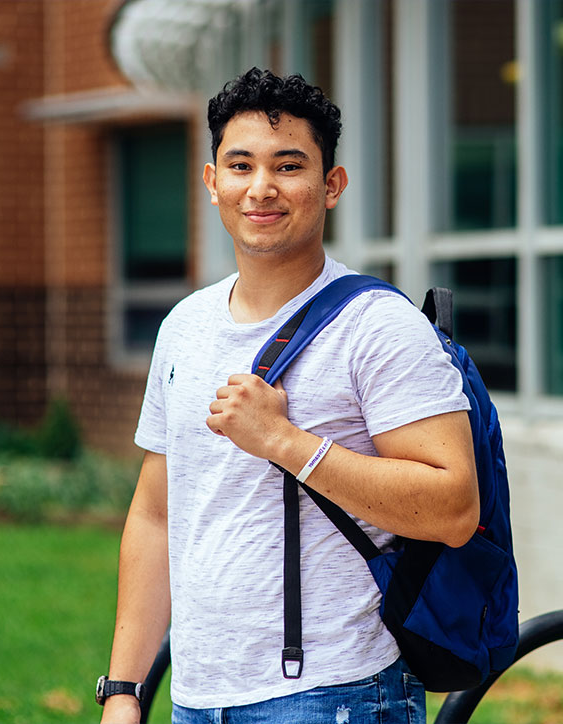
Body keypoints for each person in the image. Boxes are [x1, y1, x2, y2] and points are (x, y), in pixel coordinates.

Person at [99, 67, 479, 724]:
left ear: (331, 186)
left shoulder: (379, 325)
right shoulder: (184, 327)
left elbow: (453, 507)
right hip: (197, 696)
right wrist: (125, 689)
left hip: (337, 691)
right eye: (240, 165)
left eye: (289, 165)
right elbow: (157, 515)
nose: (261, 187)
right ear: (212, 182)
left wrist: (284, 441)